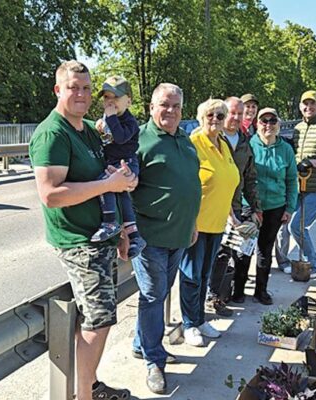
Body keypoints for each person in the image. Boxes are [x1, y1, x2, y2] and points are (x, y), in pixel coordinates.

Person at [29, 60, 137, 400]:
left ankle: (88, 385)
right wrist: (108, 184)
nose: (82, 94)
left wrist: (121, 198)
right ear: (58, 90)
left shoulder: (88, 129)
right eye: (74, 87)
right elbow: (50, 195)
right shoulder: (53, 133)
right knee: (99, 319)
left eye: (87, 88)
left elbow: (106, 179)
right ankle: (84, 395)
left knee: (101, 318)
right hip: (78, 241)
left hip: (101, 236)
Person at [129, 83, 202, 394]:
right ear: (151, 107)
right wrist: (125, 231)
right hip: (149, 236)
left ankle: (139, 344)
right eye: (163, 105)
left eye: (175, 106)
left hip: (180, 233)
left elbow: (190, 183)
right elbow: (123, 191)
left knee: (158, 293)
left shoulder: (185, 139)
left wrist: (192, 221)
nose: (169, 111)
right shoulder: (139, 142)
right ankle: (154, 361)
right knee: (153, 295)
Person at [180, 98, 239, 347]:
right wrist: (189, 221)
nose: (215, 120)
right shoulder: (194, 144)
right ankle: (189, 324)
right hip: (196, 223)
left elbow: (225, 183)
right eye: (210, 116)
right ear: (201, 118)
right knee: (191, 276)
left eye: (220, 116)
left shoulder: (224, 145)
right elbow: (185, 185)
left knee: (205, 276)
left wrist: (232, 217)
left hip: (217, 224)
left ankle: (200, 319)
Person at [275, 90, 316, 279]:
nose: (308, 107)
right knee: (284, 219)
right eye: (305, 104)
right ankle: (284, 261)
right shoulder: (298, 128)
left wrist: (314, 162)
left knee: (297, 226)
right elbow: (294, 149)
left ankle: (314, 265)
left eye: (312, 104)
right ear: (300, 107)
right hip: (300, 185)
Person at [234, 107, 297, 305]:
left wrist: (289, 208)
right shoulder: (249, 145)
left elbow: (292, 180)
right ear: (257, 124)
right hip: (249, 206)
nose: (268, 125)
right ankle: (238, 290)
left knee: (264, 250)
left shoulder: (285, 149)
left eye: (272, 121)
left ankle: (261, 290)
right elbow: (240, 177)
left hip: (275, 206)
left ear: (278, 124)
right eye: (264, 121)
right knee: (244, 249)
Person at [207, 96, 262, 314]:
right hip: (210, 205)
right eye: (232, 113)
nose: (236, 117)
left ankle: (215, 296)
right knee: (204, 254)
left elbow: (249, 178)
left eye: (240, 113)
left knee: (225, 252)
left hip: (235, 206)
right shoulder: (211, 136)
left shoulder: (243, 141)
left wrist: (257, 208)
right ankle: (199, 299)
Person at [91, 75, 146, 259]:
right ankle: (134, 235)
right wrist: (101, 124)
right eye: (106, 97)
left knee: (105, 183)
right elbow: (106, 138)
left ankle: (109, 222)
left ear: (128, 101)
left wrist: (111, 118)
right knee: (122, 197)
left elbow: (121, 137)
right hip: (113, 162)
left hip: (127, 163)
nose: (110, 102)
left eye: (115, 97)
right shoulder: (109, 118)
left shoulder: (130, 122)